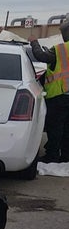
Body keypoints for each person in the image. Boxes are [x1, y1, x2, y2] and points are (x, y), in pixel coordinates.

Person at [31, 19, 69, 163]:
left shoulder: (61, 49)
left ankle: (52, 156)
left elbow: (41, 56)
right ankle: (66, 156)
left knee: (55, 129)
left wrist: (34, 42)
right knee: (67, 129)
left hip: (59, 96)